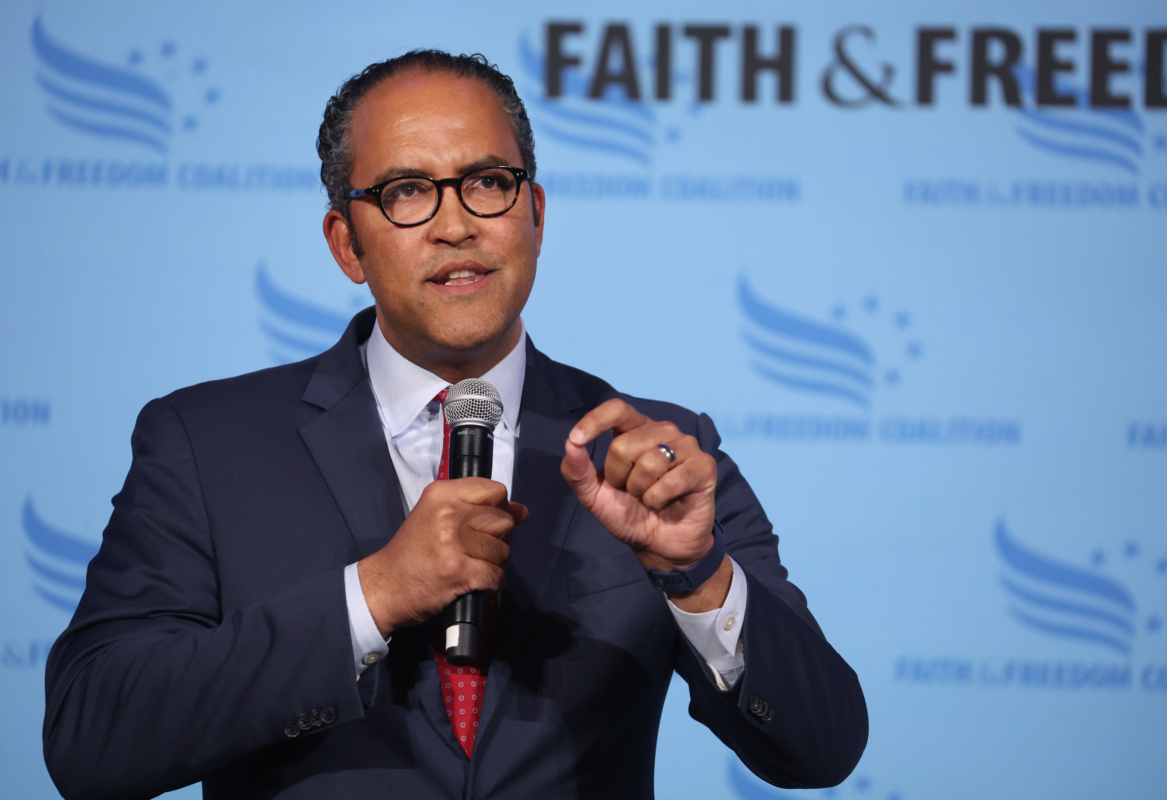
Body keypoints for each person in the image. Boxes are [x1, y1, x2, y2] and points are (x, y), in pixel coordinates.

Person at [43, 50, 867, 800]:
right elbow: (91, 737)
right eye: (406, 191)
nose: (454, 223)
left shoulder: (655, 456)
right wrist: (368, 599)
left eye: (487, 182)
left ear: (535, 214)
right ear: (346, 245)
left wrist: (700, 577)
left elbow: (822, 747)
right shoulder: (205, 442)